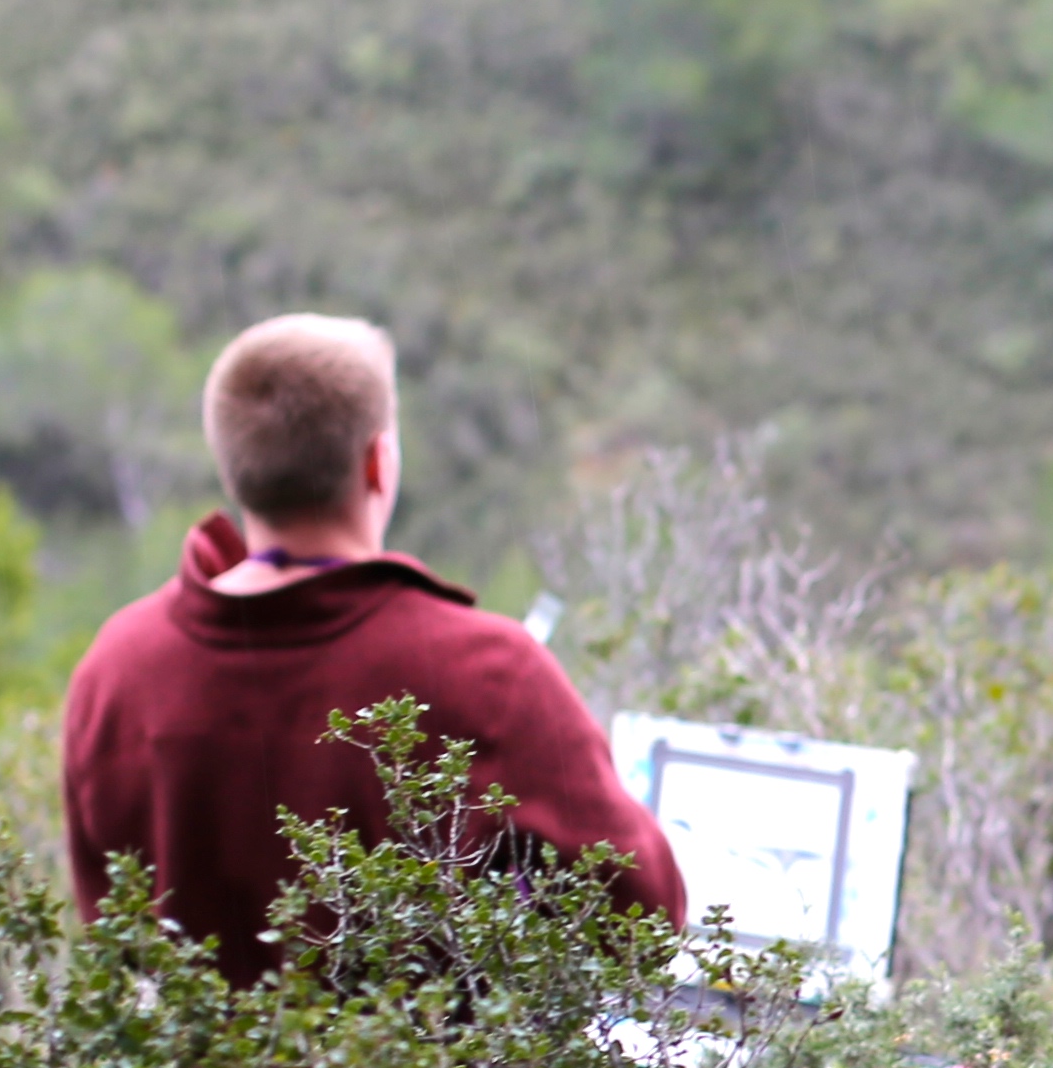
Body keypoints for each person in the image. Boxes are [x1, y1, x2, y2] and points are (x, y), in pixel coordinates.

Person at [60, 312, 686, 984]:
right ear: (377, 460)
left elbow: (115, 930)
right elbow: (645, 921)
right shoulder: (488, 672)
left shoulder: (118, 668)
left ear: (234, 464)